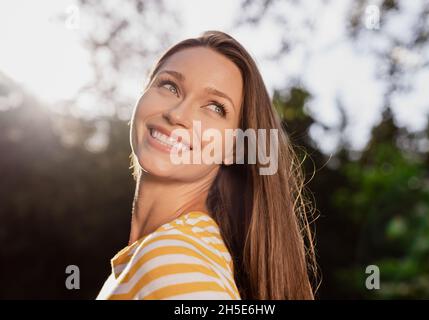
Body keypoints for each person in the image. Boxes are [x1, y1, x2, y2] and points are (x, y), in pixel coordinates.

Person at [96, 30, 317, 300]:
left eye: (215, 107)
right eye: (169, 86)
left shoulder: (172, 259)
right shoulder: (157, 258)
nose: (177, 115)